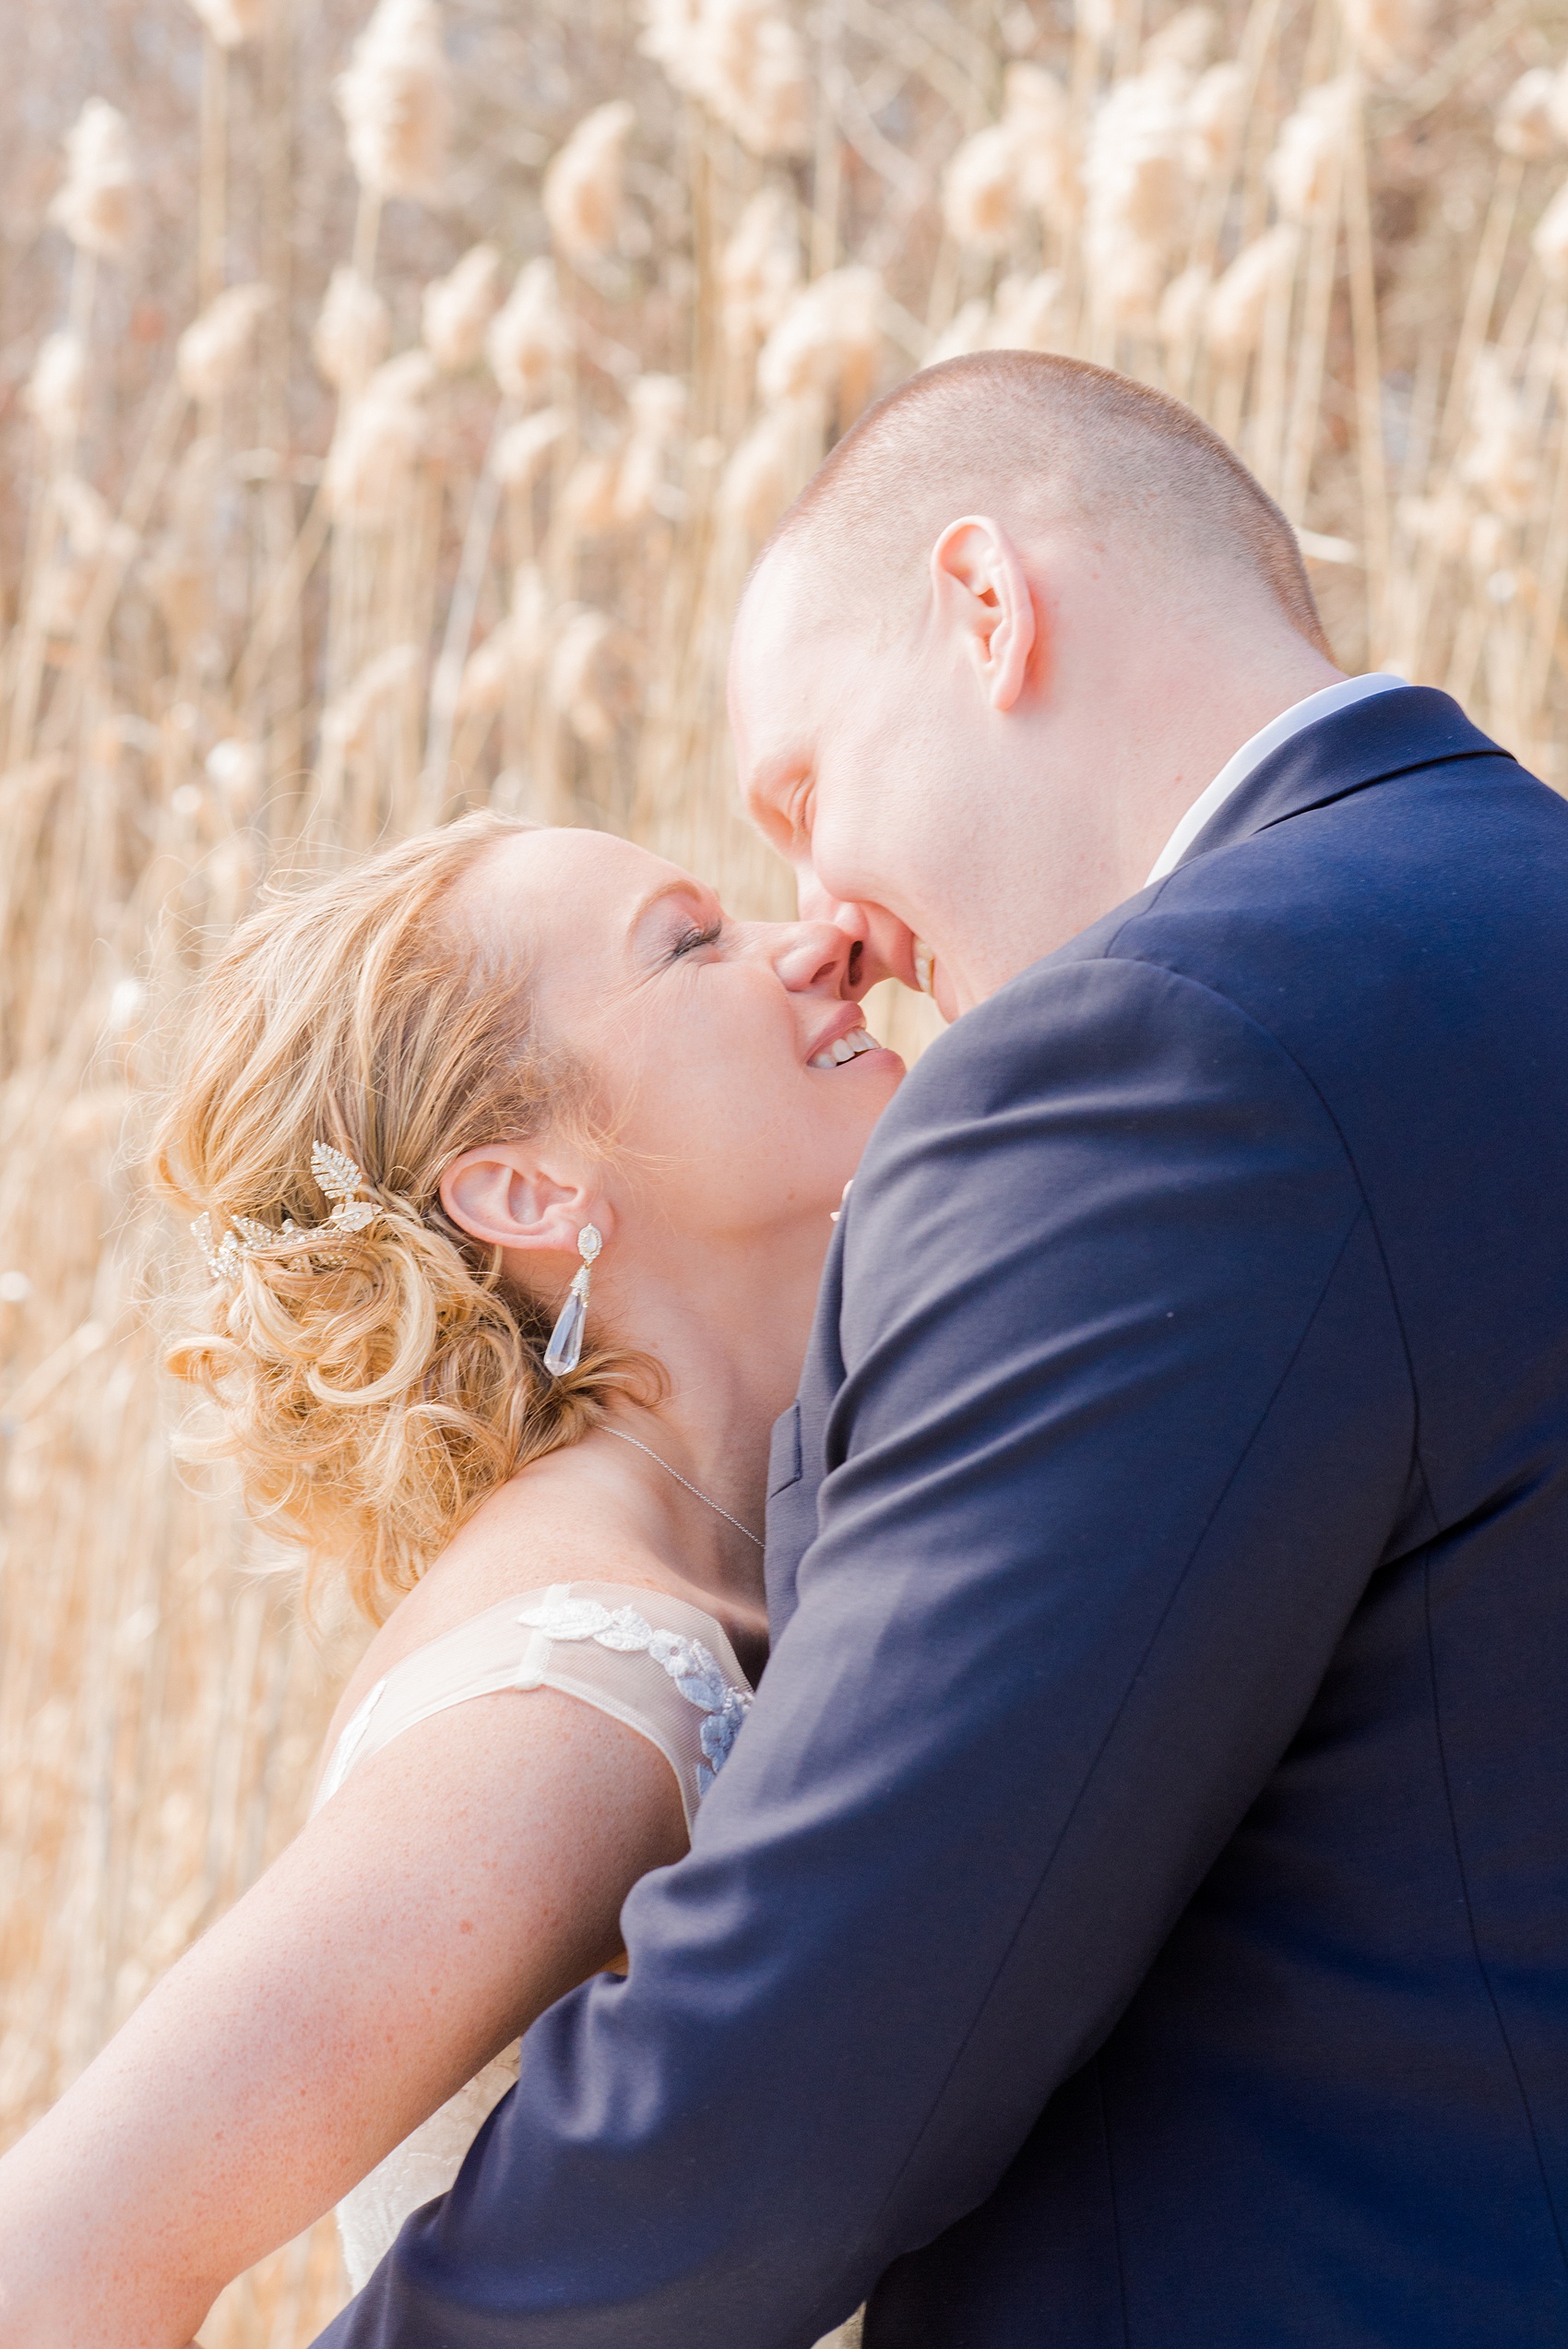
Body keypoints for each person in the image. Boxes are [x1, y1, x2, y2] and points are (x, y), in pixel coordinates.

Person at [311, 352, 1568, 2346]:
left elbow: (821, 2044)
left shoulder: (1170, 1050)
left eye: (801, 796)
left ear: (986, 607)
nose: (825, 921)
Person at [0, 817, 901, 2347]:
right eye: (689, 943)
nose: (814, 940)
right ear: (526, 1191)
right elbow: (57, 2260)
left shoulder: (767, 1544)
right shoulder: (572, 1687)